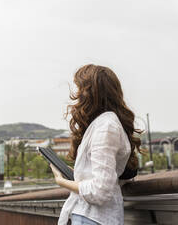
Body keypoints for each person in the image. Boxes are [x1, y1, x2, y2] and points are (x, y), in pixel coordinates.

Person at [50, 64, 142, 225]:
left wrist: (61, 181)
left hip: (93, 218)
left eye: (79, 89)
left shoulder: (106, 127)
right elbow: (101, 178)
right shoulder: (104, 124)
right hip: (91, 217)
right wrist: (75, 174)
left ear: (91, 93)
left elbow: (99, 191)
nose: (77, 95)